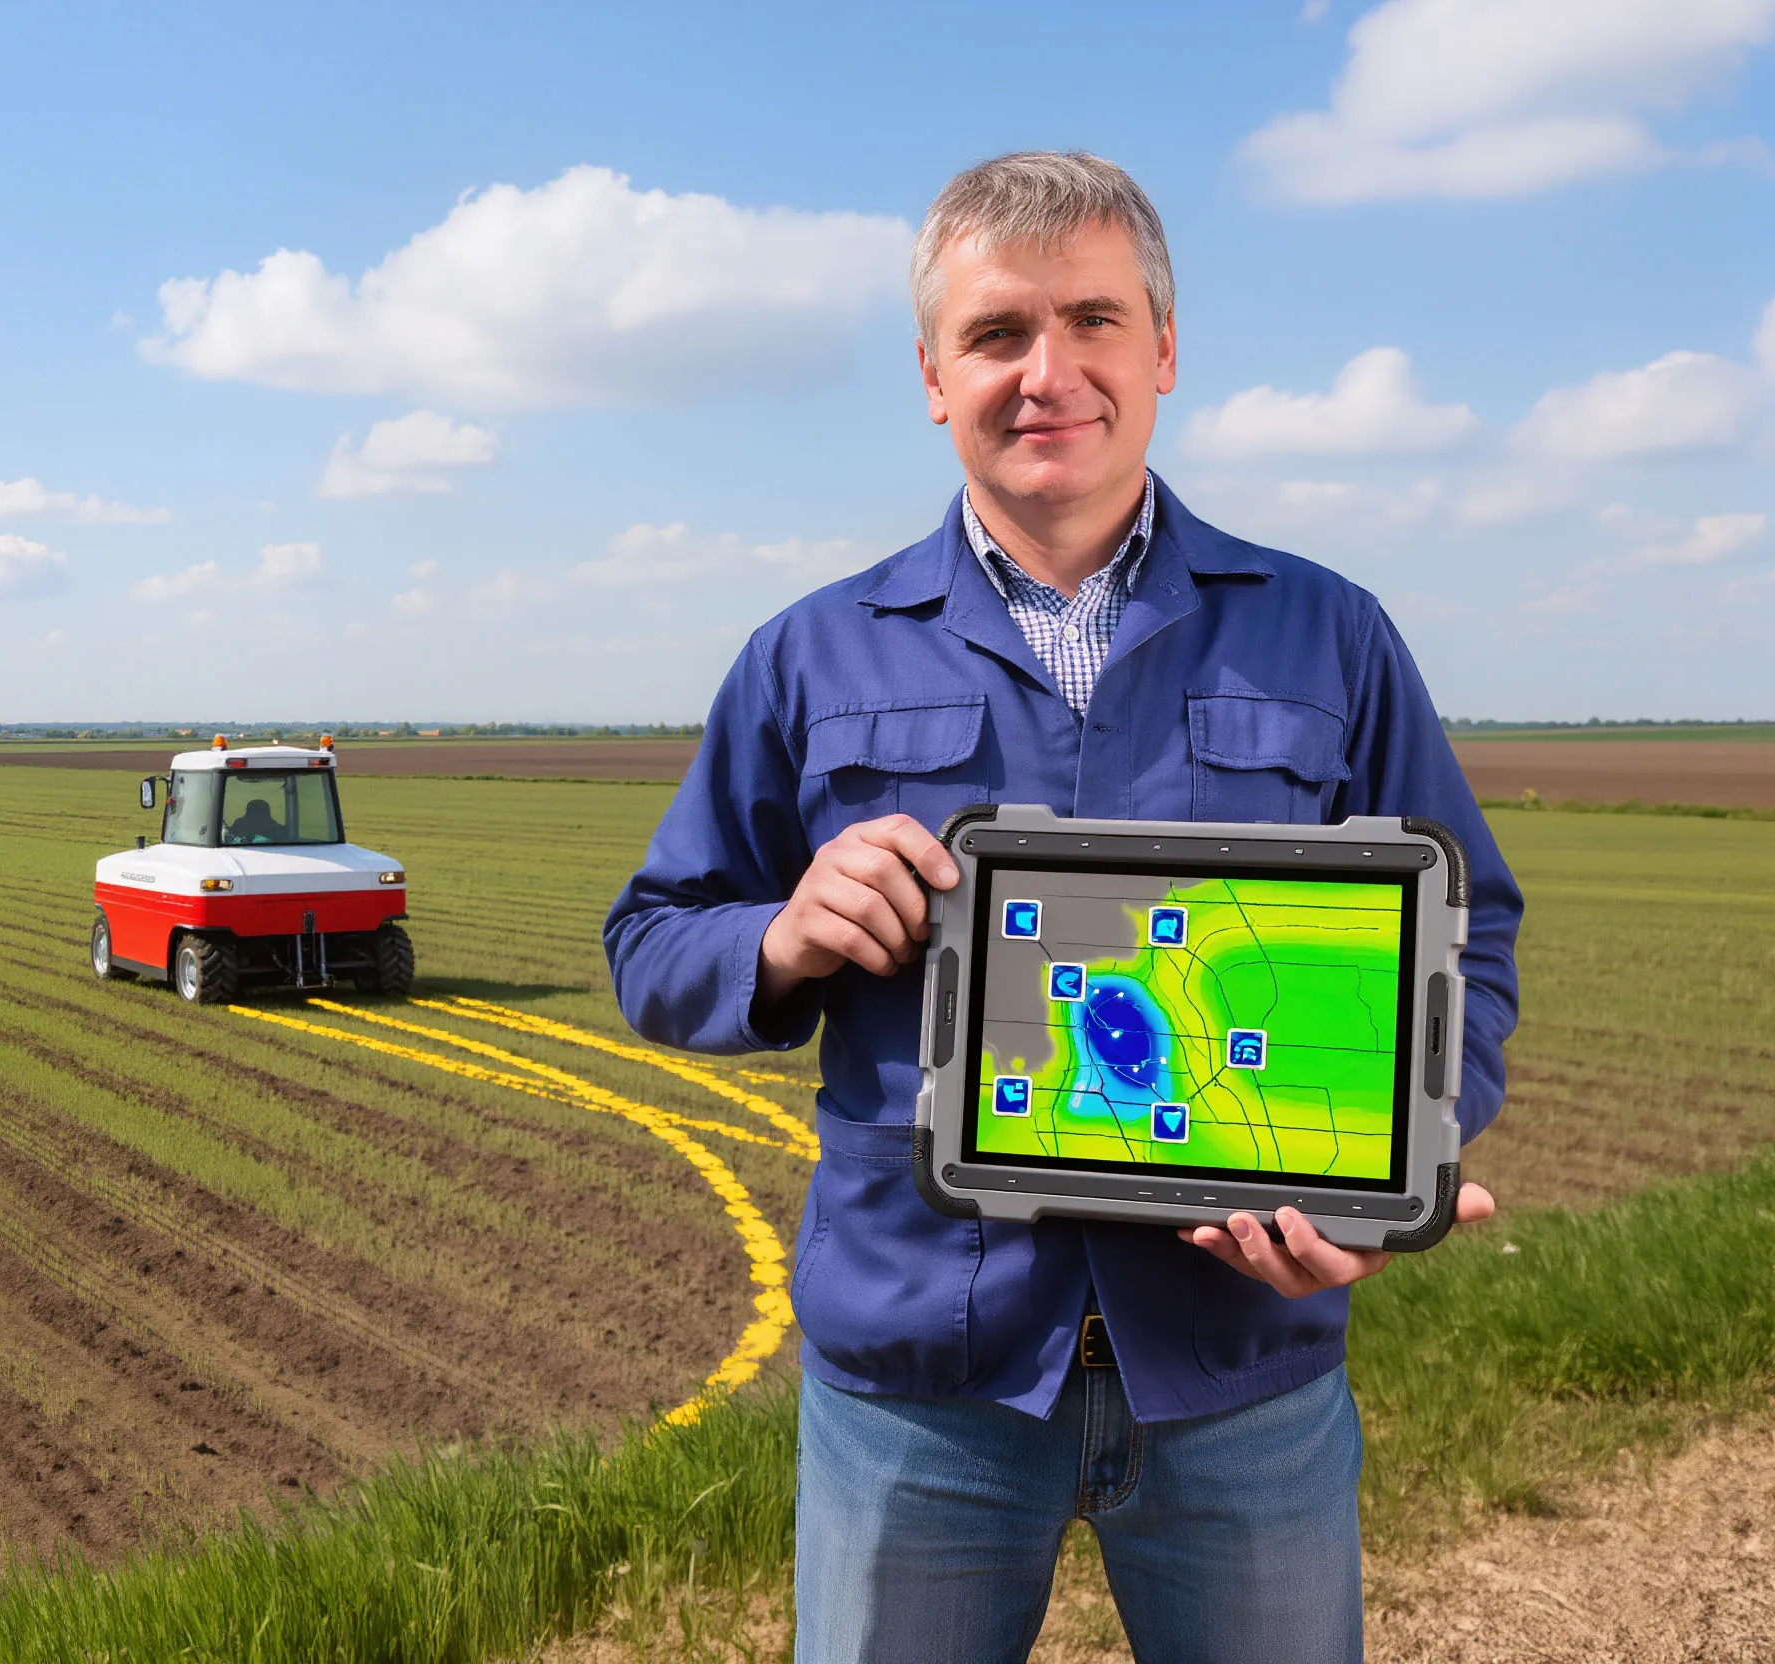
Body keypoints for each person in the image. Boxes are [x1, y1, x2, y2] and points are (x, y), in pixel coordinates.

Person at [602, 152, 1521, 1664]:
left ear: (1164, 350)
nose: (1050, 372)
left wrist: (1396, 1152)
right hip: (921, 1392)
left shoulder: (1332, 636)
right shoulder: (807, 657)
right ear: (930, 374)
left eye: (1094, 319)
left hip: (1243, 1375)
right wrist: (776, 939)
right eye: (997, 334)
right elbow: (652, 939)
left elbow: (1466, 929)